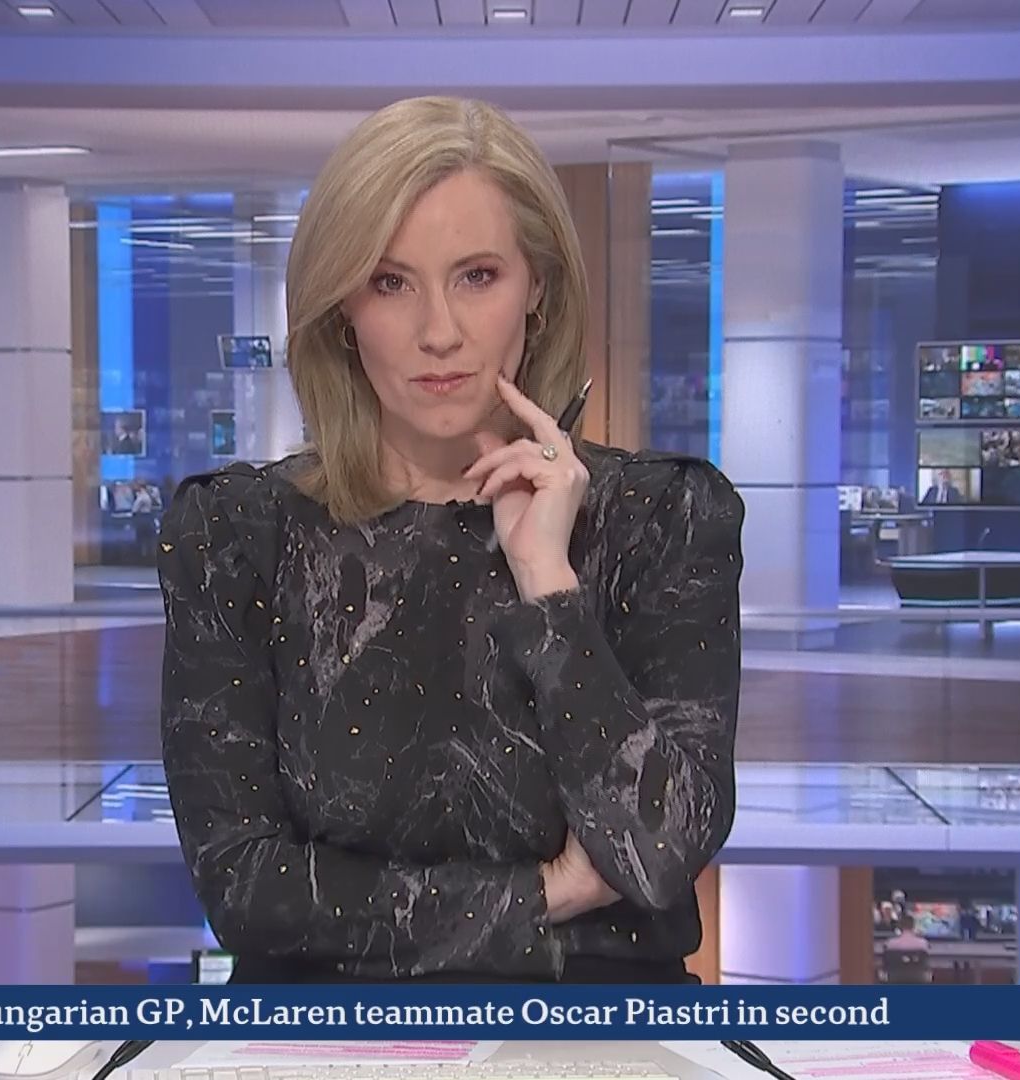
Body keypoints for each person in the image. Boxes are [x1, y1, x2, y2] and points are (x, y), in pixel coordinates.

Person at [157, 96, 743, 984]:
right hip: (318, 1036)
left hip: (596, 1036)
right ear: (341, 309)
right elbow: (243, 886)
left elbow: (659, 855)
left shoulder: (664, 520)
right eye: (390, 282)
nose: (439, 332)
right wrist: (540, 896)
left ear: (537, 288)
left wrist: (549, 584)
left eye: (477, 276)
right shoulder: (238, 534)